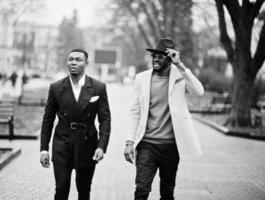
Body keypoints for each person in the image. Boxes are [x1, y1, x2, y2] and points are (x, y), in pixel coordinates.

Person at [124, 38, 204, 200]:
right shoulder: (141, 78)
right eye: (154, 55)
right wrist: (129, 142)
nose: (156, 59)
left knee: (167, 193)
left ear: (170, 58)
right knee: (141, 190)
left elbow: (198, 91)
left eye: (161, 56)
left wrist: (180, 65)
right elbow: (135, 112)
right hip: (147, 145)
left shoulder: (180, 78)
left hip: (170, 147)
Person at [40, 49, 111, 200]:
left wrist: (101, 146)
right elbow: (48, 119)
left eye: (78, 59)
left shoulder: (98, 87)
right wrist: (44, 149)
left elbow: (105, 119)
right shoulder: (56, 87)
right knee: (61, 189)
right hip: (62, 144)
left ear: (86, 63)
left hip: (87, 144)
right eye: (70, 59)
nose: (73, 62)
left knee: (84, 190)